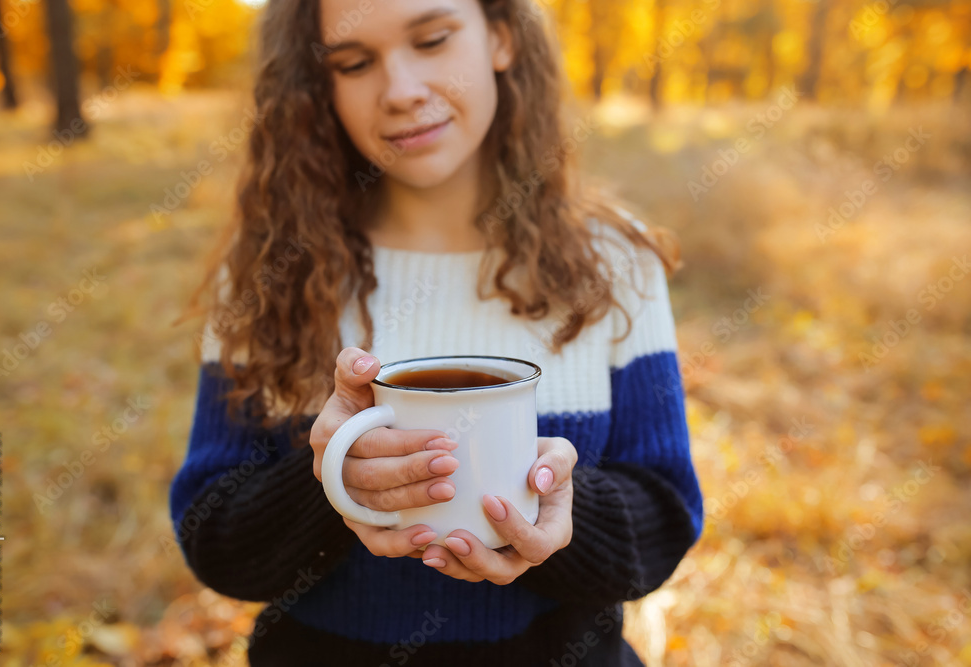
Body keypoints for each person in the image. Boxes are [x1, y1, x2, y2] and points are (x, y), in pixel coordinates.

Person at [169, 0, 703, 664]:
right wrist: (331, 481)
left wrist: (562, 516)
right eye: (355, 62)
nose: (400, 91)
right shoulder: (267, 274)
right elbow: (213, 540)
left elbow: (666, 521)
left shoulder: (616, 262)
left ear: (502, 37)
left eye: (432, 39)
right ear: (319, 84)